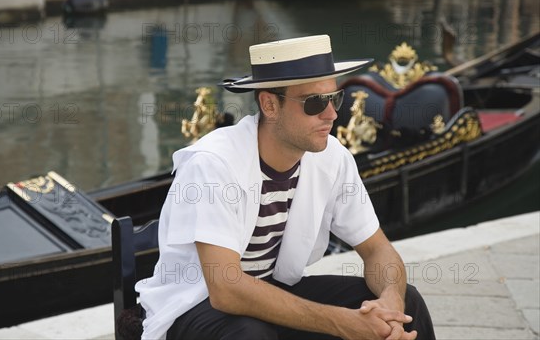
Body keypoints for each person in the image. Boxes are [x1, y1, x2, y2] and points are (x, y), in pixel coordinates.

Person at [135, 35, 435, 340]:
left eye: (335, 99)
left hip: (272, 290)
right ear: (269, 104)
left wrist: (391, 304)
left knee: (409, 302)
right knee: (250, 334)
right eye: (315, 102)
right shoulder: (213, 165)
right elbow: (225, 290)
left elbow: (377, 250)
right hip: (193, 306)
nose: (331, 114)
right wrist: (342, 322)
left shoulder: (332, 157)